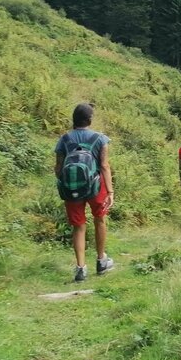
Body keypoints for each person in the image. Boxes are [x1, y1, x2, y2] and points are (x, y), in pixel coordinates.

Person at [54, 103, 114, 282]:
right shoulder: (100, 139)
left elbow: (58, 167)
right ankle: (101, 260)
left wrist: (67, 184)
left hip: (72, 188)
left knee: (78, 226)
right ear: (89, 120)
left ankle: (81, 268)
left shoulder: (64, 139)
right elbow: (104, 165)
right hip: (96, 186)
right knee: (100, 219)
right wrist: (110, 191)